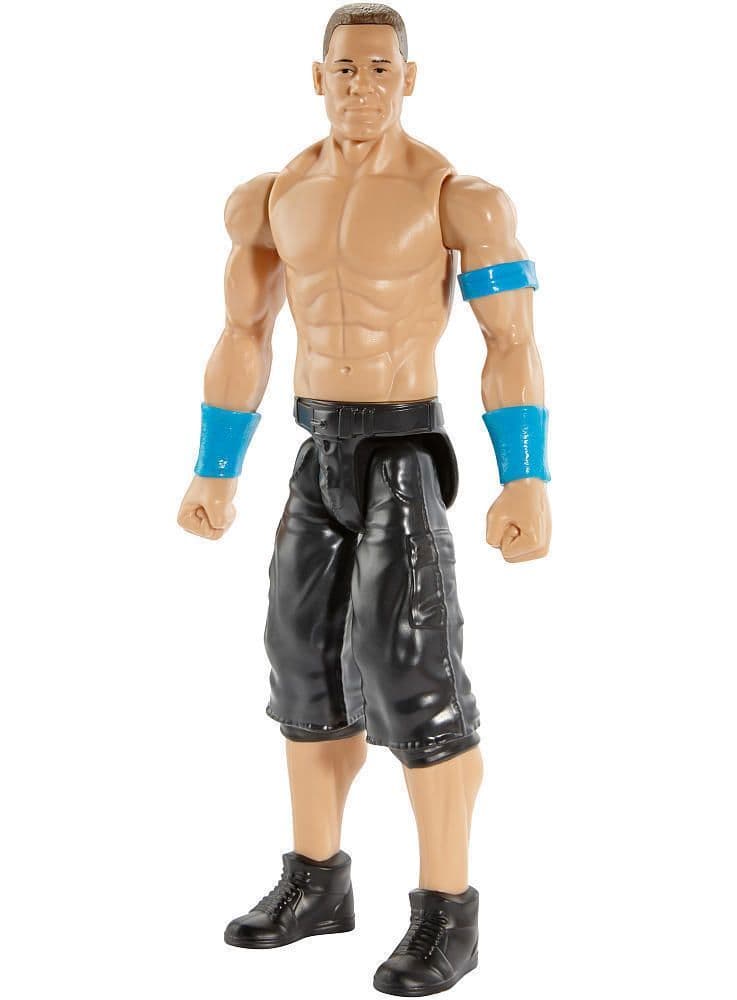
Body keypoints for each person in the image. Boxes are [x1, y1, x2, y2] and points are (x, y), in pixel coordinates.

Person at [177, 5, 550, 994]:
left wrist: (525, 477)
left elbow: (511, 340)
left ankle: (448, 912)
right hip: (318, 450)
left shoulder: (458, 199)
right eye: (345, 69)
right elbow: (243, 334)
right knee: (301, 665)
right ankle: (317, 881)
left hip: (401, 452)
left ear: (408, 79)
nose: (362, 86)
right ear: (318, 77)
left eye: (381, 68)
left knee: (413, 676)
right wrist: (215, 467)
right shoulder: (270, 199)